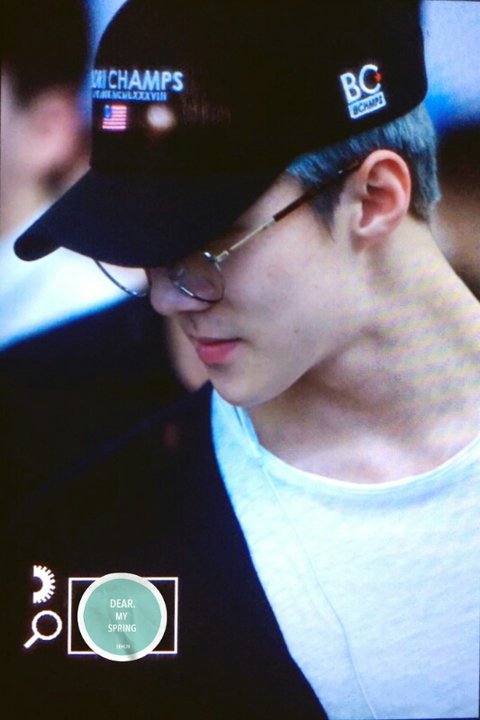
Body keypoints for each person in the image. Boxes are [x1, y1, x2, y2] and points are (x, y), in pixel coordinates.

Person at [8, 1, 479, 718]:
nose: (166, 297)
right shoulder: (84, 536)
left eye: (209, 242)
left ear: (375, 198)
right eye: (144, 252)